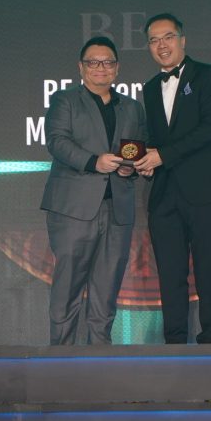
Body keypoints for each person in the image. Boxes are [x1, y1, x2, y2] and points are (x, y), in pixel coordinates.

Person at [40, 36, 147, 345]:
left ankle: (101, 359)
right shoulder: (65, 100)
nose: (101, 67)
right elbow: (57, 141)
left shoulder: (132, 108)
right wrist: (93, 162)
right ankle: (60, 359)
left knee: (107, 290)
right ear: (81, 67)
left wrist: (129, 168)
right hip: (73, 210)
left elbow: (137, 149)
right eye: (93, 62)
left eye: (108, 62)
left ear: (117, 68)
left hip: (117, 210)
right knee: (68, 288)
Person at [133, 13, 211, 344]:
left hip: (205, 189)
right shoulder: (149, 88)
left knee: (208, 271)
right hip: (164, 195)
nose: (161, 45)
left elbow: (209, 128)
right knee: (169, 274)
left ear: (182, 40)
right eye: (154, 40)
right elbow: (156, 138)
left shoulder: (209, 75)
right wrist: (147, 161)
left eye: (168, 37)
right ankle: (173, 345)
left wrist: (162, 155)